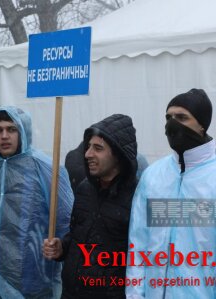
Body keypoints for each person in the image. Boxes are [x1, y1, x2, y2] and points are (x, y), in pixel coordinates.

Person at [126, 88, 216, 298]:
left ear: (202, 124)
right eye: (168, 117)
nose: (172, 124)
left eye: (182, 117)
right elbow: (138, 244)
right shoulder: (153, 177)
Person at [0, 106, 74, 299]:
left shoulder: (46, 169)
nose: (4, 136)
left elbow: (66, 221)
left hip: (32, 279)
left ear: (23, 131)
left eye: (11, 129)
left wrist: (61, 247)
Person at [43, 114, 138, 299]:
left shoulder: (137, 197)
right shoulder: (85, 189)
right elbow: (77, 234)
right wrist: (61, 247)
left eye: (98, 148)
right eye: (88, 147)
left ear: (119, 155)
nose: (87, 154)